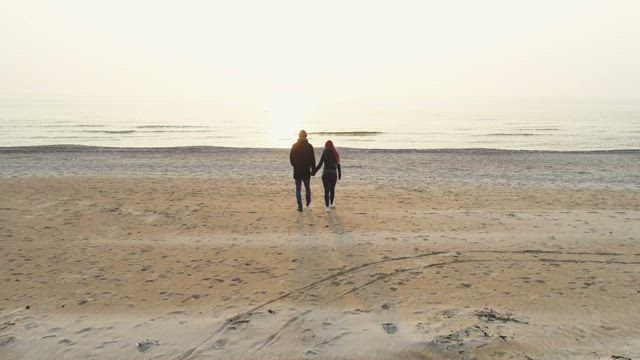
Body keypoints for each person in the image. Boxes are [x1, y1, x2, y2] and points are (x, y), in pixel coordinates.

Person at [289, 130, 316, 212]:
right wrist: (313, 170)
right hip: (306, 170)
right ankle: (308, 204)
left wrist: (294, 165)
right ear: (306, 136)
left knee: (298, 188)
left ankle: (300, 206)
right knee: (307, 188)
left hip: (297, 170)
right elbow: (313, 160)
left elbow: (291, 158)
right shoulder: (309, 146)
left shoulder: (294, 145)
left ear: (299, 136)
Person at [313, 140, 341, 212]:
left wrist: (314, 172)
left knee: (326, 190)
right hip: (333, 174)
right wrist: (339, 174)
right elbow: (338, 164)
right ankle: (331, 204)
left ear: (326, 145)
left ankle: (327, 207)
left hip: (326, 173)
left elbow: (320, 163)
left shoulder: (325, 151)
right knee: (332, 189)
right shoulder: (335, 152)